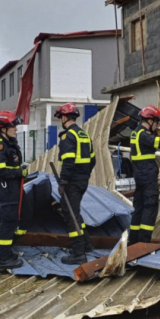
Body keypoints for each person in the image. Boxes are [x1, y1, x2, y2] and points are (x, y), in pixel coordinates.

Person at [54, 103, 96, 265]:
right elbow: (93, 160)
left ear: (64, 118)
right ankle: (86, 245)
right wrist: (84, 175)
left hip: (71, 181)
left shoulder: (68, 136)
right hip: (82, 180)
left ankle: (78, 253)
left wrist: (63, 181)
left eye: (61, 117)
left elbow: (68, 161)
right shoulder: (84, 135)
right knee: (75, 212)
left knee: (70, 215)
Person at [0, 111, 28, 272]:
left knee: (15, 218)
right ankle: (3, 258)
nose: (16, 129)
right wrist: (19, 173)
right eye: (13, 126)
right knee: (8, 221)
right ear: (3, 128)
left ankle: (8, 251)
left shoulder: (10, 143)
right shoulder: (0, 145)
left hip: (13, 186)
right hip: (7, 187)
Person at [129, 106, 160, 245]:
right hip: (148, 177)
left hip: (139, 176)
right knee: (150, 208)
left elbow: (149, 145)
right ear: (150, 120)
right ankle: (143, 244)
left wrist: (156, 132)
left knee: (138, 209)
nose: (158, 124)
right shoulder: (143, 135)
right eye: (157, 122)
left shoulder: (136, 132)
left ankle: (133, 242)